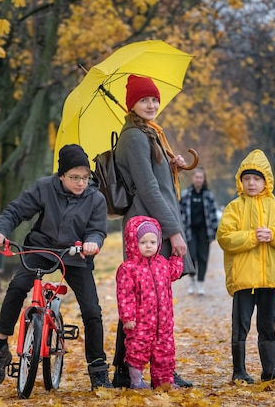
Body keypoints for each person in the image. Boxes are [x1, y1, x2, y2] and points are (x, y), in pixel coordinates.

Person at [0, 144, 113, 390]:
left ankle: (98, 368)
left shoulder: (96, 198)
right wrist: (0, 231)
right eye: (74, 177)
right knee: (16, 287)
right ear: (61, 175)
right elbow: (15, 211)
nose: (81, 183)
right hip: (41, 249)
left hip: (75, 254)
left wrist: (92, 243)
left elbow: (97, 230)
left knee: (92, 310)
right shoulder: (45, 187)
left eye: (85, 177)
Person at [112, 74, 195, 388]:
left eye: (154, 99)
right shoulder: (134, 136)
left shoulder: (151, 134)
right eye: (144, 99)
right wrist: (173, 231)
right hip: (147, 228)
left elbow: (157, 182)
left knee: (152, 298)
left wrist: (172, 167)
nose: (151, 104)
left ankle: (146, 368)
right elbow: (147, 188)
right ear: (132, 103)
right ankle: (133, 370)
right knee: (143, 299)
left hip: (155, 223)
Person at [216, 149, 275, 385]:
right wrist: (253, 237)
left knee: (267, 325)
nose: (251, 183)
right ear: (240, 181)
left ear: (266, 181)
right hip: (244, 277)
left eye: (256, 179)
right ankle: (239, 371)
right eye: (247, 179)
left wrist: (273, 234)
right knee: (240, 325)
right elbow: (225, 237)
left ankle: (270, 370)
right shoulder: (234, 207)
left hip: (269, 278)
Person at [116, 216, 184, 389]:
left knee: (165, 351)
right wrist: (128, 317)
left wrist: (177, 258)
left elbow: (173, 273)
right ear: (133, 242)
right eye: (143, 242)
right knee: (137, 350)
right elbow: (125, 294)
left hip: (164, 322)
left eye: (153, 242)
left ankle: (164, 381)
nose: (148, 246)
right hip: (140, 322)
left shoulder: (162, 263)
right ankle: (136, 381)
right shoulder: (128, 268)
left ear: (158, 243)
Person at [179, 168, 219, 295]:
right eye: (196, 177)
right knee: (191, 256)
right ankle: (192, 281)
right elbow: (180, 213)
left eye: (201, 177)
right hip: (189, 231)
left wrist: (214, 231)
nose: (198, 180)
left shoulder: (208, 195)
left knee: (203, 257)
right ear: (193, 178)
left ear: (203, 179)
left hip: (204, 231)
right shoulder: (186, 194)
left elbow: (213, 214)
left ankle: (201, 283)